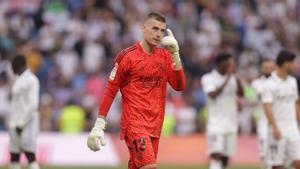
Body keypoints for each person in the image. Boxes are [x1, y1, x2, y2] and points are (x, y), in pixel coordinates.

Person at [87, 12, 186, 169]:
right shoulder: (127, 56)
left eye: (162, 30)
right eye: (155, 28)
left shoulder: (165, 56)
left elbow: (179, 86)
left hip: (155, 126)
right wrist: (99, 123)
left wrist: (175, 55)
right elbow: (111, 89)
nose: (159, 34)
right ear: (143, 28)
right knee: (150, 167)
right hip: (134, 125)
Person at [201, 53, 244, 169]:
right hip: (215, 123)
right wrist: (229, 76)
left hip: (231, 123)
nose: (231, 65)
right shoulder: (208, 78)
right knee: (216, 155)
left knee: (225, 158)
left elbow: (241, 93)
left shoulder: (233, 78)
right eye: (229, 63)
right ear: (221, 63)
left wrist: (235, 76)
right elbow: (213, 95)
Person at [262, 50, 300, 169]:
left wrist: (298, 124)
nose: (295, 66)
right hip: (278, 129)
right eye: (292, 63)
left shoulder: (293, 82)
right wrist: (274, 127)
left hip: (293, 129)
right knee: (277, 165)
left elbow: (297, 103)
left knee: (298, 162)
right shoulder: (269, 84)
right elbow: (267, 107)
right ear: (285, 64)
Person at [9, 54, 40, 169]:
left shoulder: (32, 80)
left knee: (30, 155)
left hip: (27, 124)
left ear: (18, 65)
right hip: (14, 124)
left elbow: (33, 104)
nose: (11, 69)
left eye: (12, 65)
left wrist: (21, 123)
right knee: (14, 155)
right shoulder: (18, 80)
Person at [251, 59, 275, 168]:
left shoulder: (280, 82)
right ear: (262, 68)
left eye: (271, 68)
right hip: (263, 120)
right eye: (266, 68)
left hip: (278, 120)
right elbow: (261, 96)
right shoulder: (256, 83)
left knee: (276, 151)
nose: (269, 70)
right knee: (264, 149)